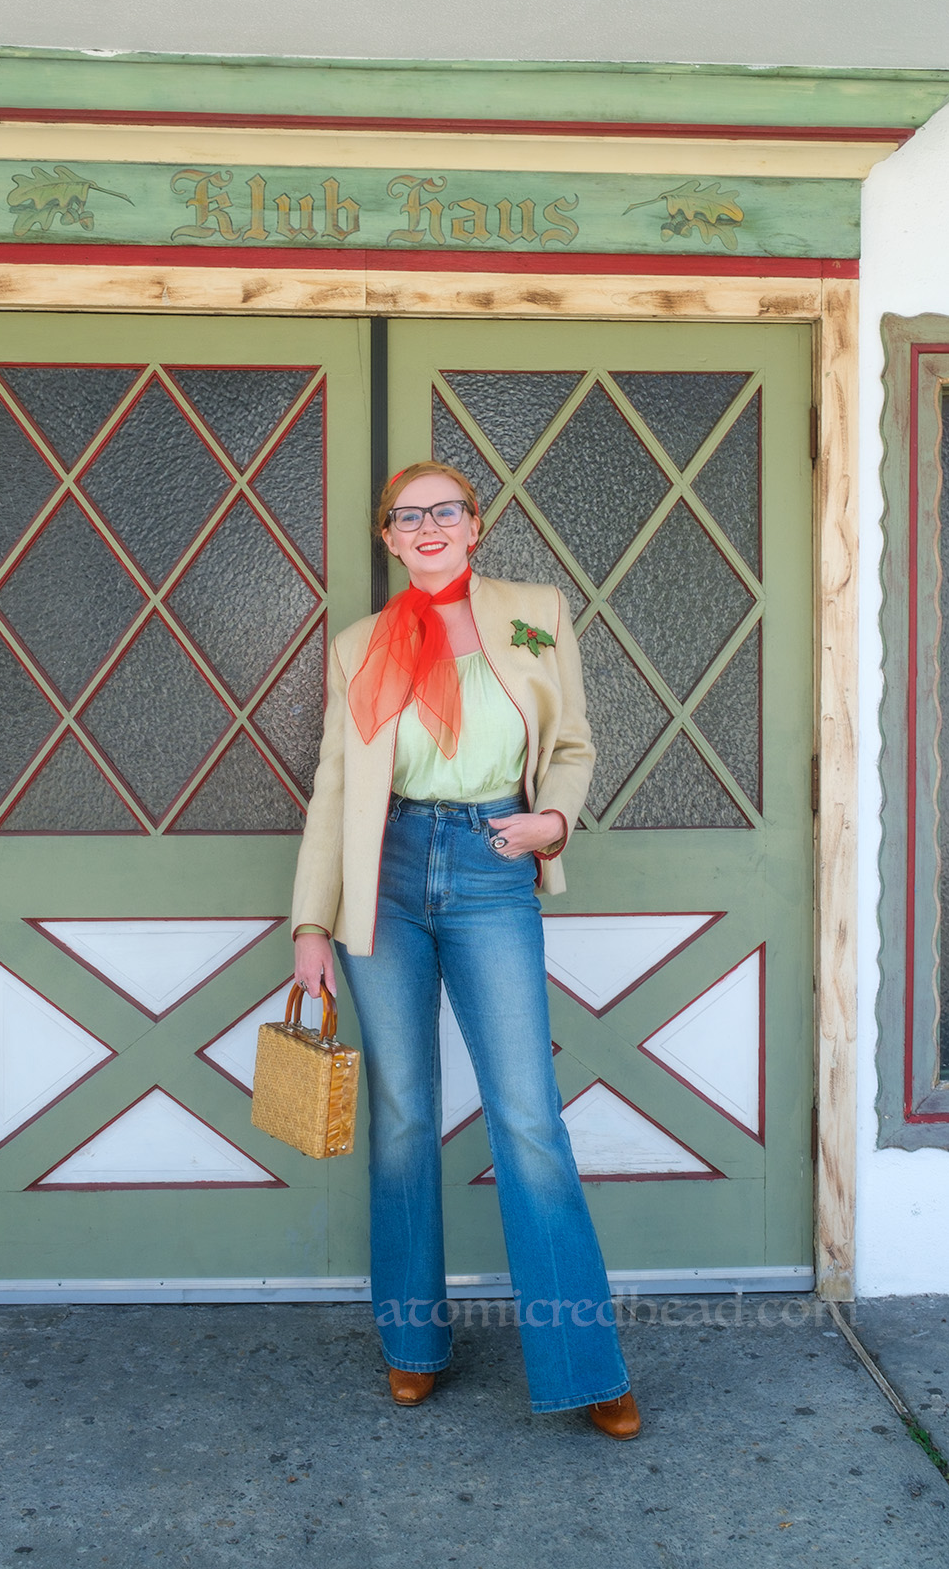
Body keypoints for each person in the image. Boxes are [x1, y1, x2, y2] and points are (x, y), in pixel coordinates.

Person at [291, 460, 639, 1439]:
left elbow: (570, 743)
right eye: (409, 515)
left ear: (475, 526)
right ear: (390, 538)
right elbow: (332, 787)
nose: (430, 525)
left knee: (527, 1119)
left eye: (446, 509)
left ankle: (586, 1359)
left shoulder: (533, 613)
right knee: (402, 1117)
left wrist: (552, 823)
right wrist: (311, 926)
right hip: (385, 880)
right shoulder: (357, 644)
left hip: (492, 866)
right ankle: (411, 1344)